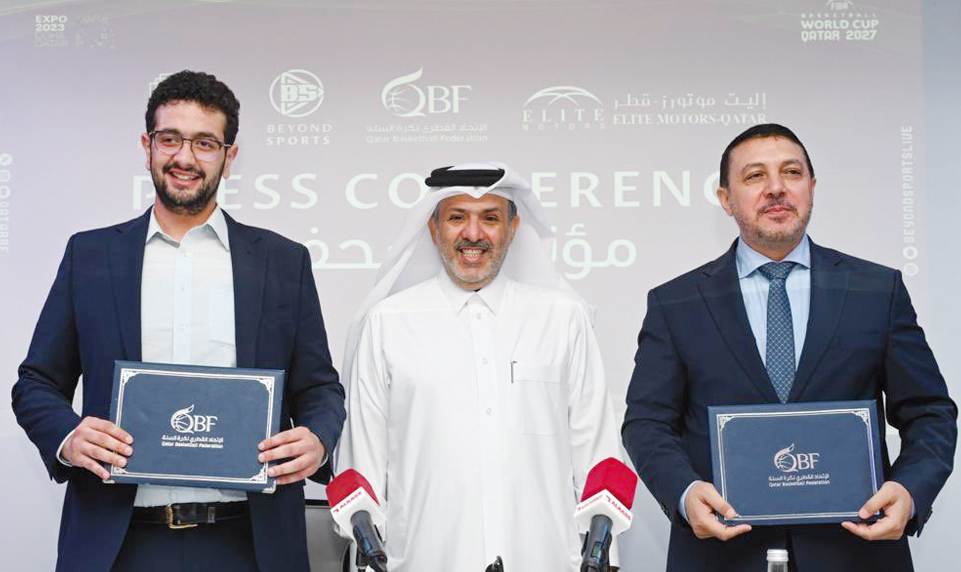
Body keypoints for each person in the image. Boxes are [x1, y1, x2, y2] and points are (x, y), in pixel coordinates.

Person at [11, 70, 345, 572]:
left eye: (205, 143)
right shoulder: (91, 255)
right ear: (147, 146)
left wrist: (317, 438)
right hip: (118, 544)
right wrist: (68, 435)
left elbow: (320, 388)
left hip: (250, 545)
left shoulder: (282, 261)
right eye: (170, 139)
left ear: (229, 157)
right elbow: (35, 383)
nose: (185, 158)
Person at [622, 123, 957, 572]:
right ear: (725, 199)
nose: (776, 188)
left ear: (812, 188)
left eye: (792, 173)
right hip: (721, 556)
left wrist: (910, 490)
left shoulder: (877, 290)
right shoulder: (675, 303)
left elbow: (930, 413)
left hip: (855, 553)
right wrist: (684, 493)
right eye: (755, 176)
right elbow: (646, 422)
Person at [335, 163, 624, 572]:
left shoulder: (563, 319)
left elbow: (598, 453)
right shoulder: (388, 322)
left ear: (513, 228)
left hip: (543, 557)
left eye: (490, 218)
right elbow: (360, 460)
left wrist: (602, 555)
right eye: (457, 218)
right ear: (434, 229)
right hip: (423, 558)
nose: (473, 234)